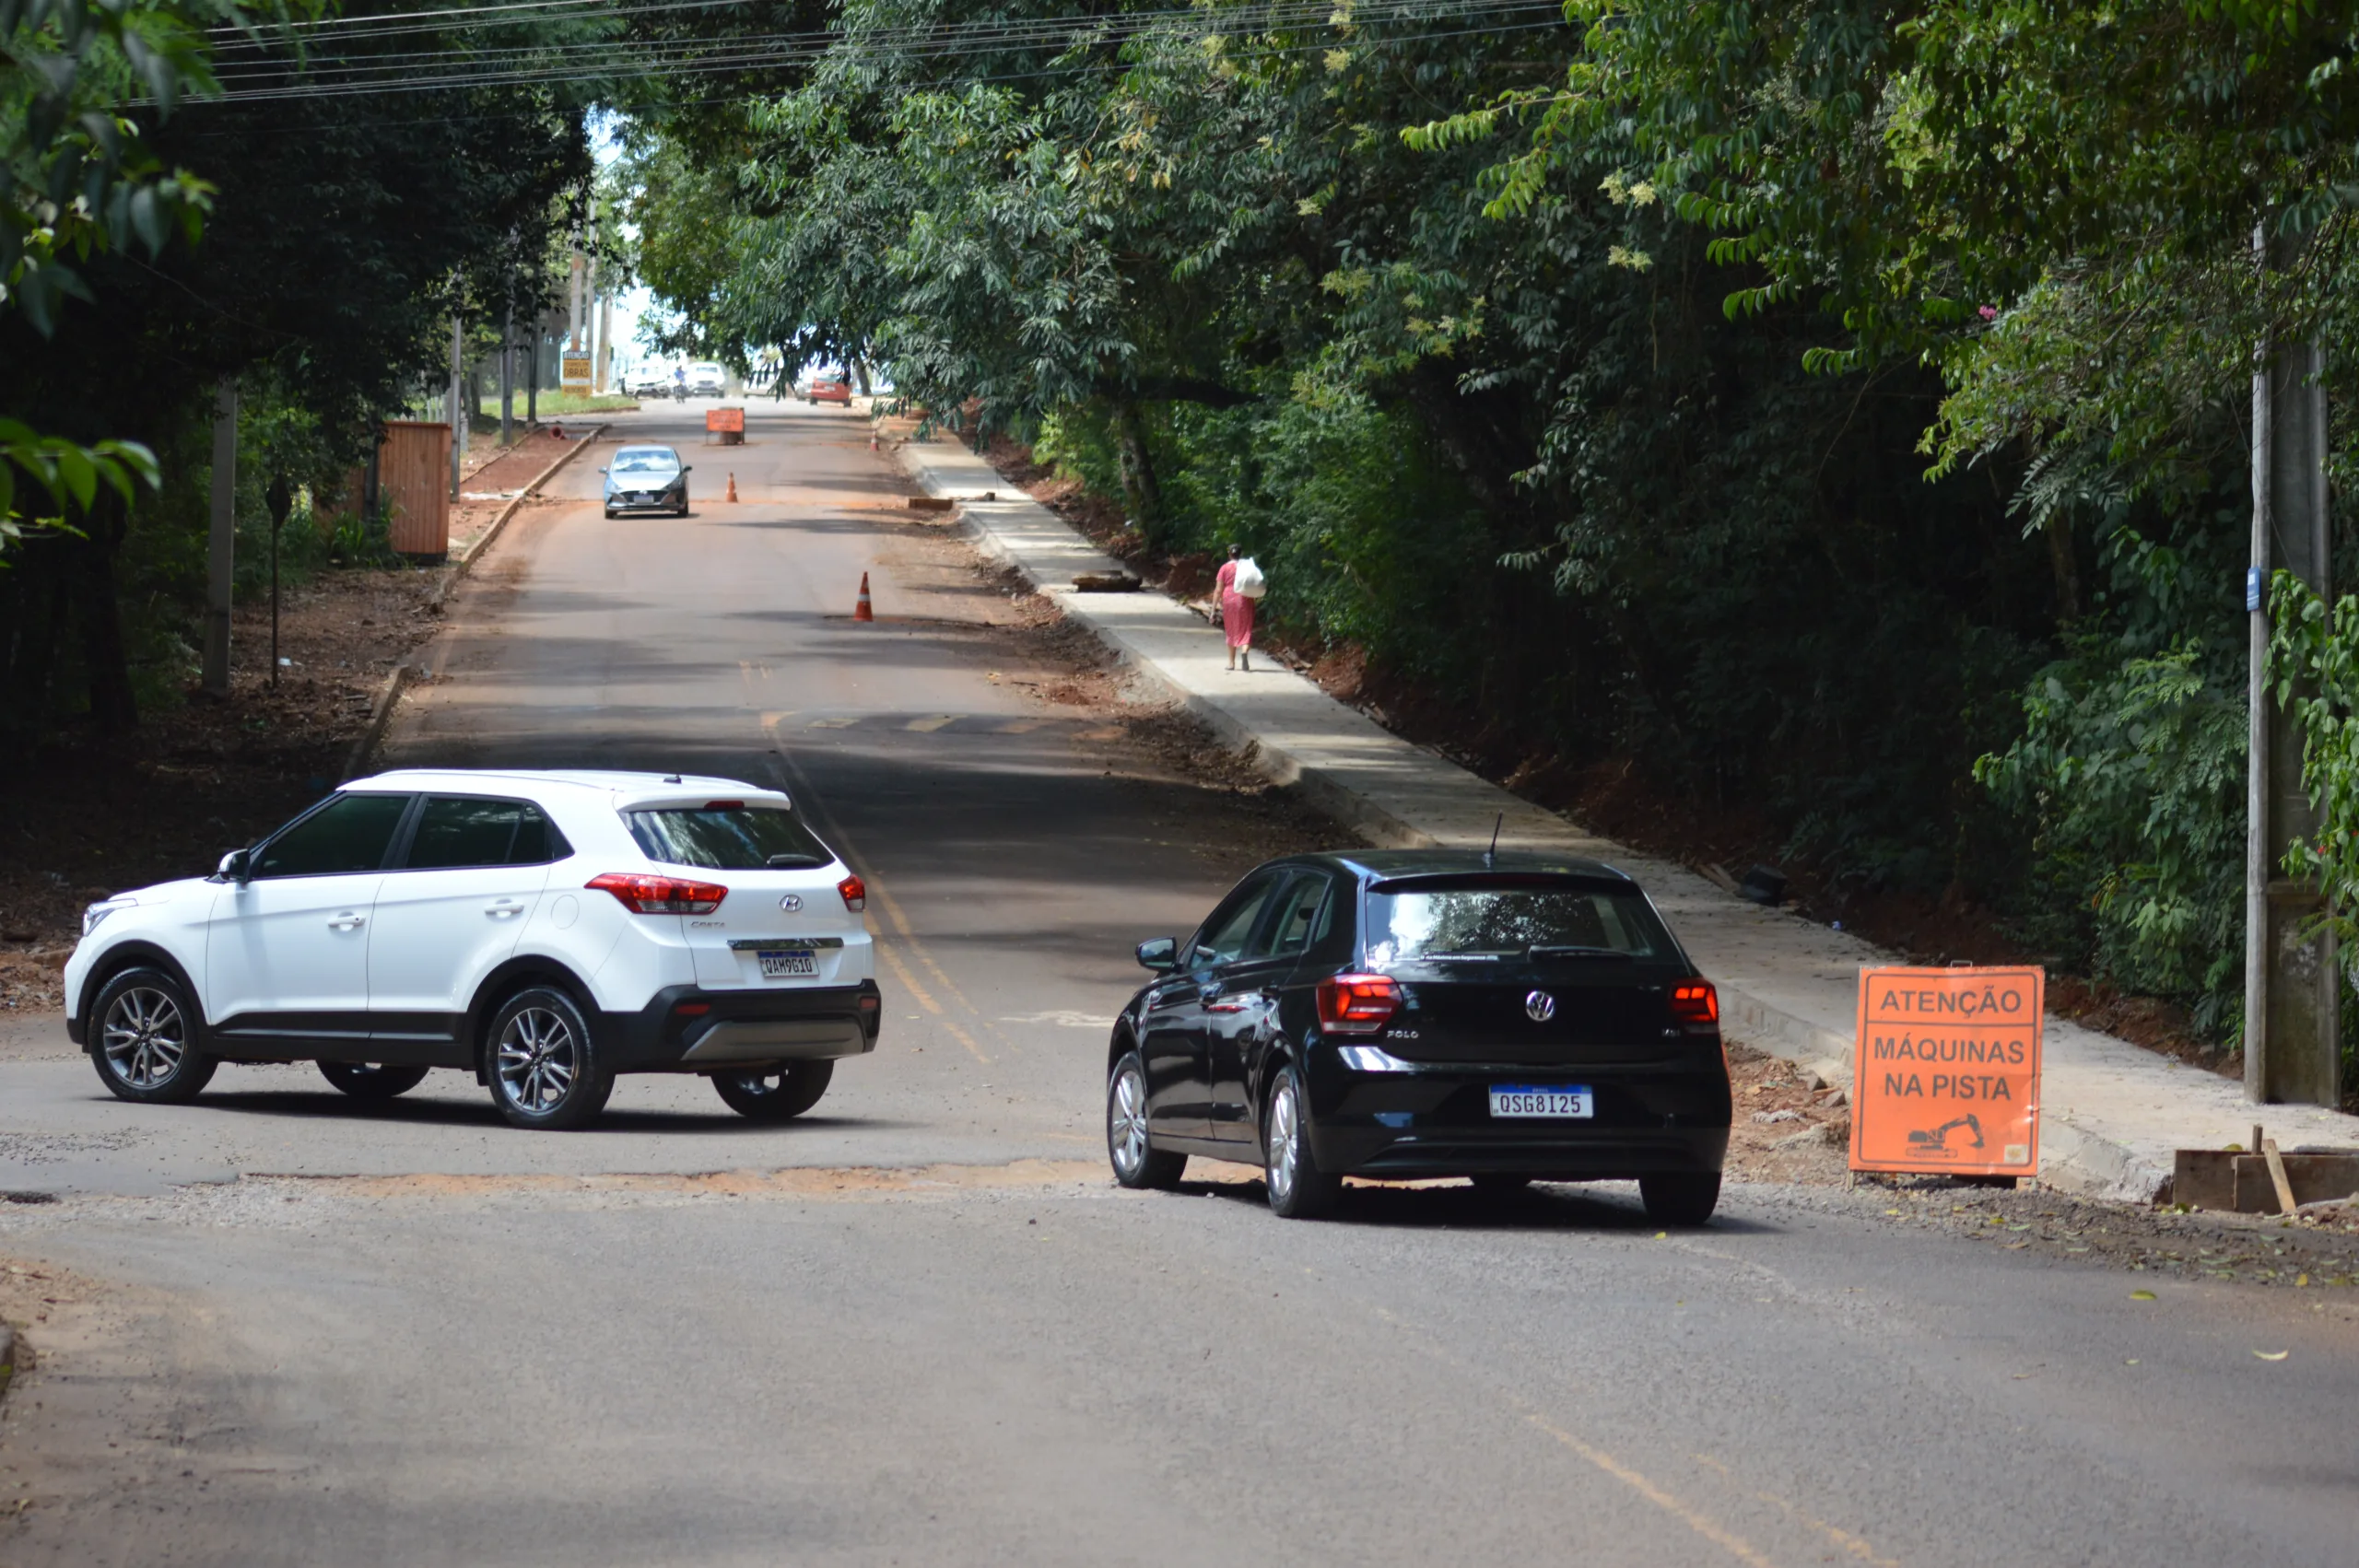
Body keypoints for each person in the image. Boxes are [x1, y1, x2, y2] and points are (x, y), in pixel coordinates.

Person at [1215, 544, 1255, 672]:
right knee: (1246, 629)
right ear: (1240, 554)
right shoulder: (1247, 567)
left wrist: (1213, 609)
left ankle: (1231, 663)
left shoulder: (1224, 568)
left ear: (1229, 554)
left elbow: (1218, 589)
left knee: (1231, 630)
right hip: (1245, 599)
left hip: (1229, 600)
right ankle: (1244, 652)